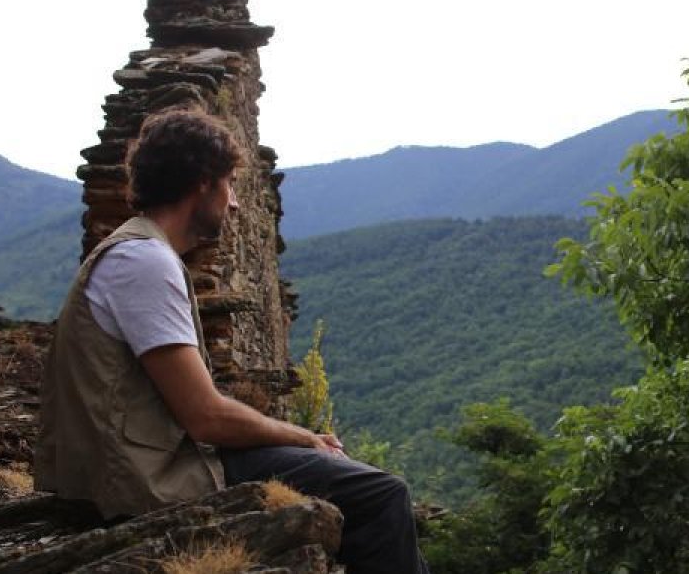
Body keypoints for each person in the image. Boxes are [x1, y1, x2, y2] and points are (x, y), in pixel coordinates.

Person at [35, 108, 430, 574]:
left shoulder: (135, 254)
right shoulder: (145, 263)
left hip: (141, 460)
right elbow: (206, 417)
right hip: (144, 478)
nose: (235, 203)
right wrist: (306, 438)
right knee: (383, 495)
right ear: (203, 182)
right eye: (229, 183)